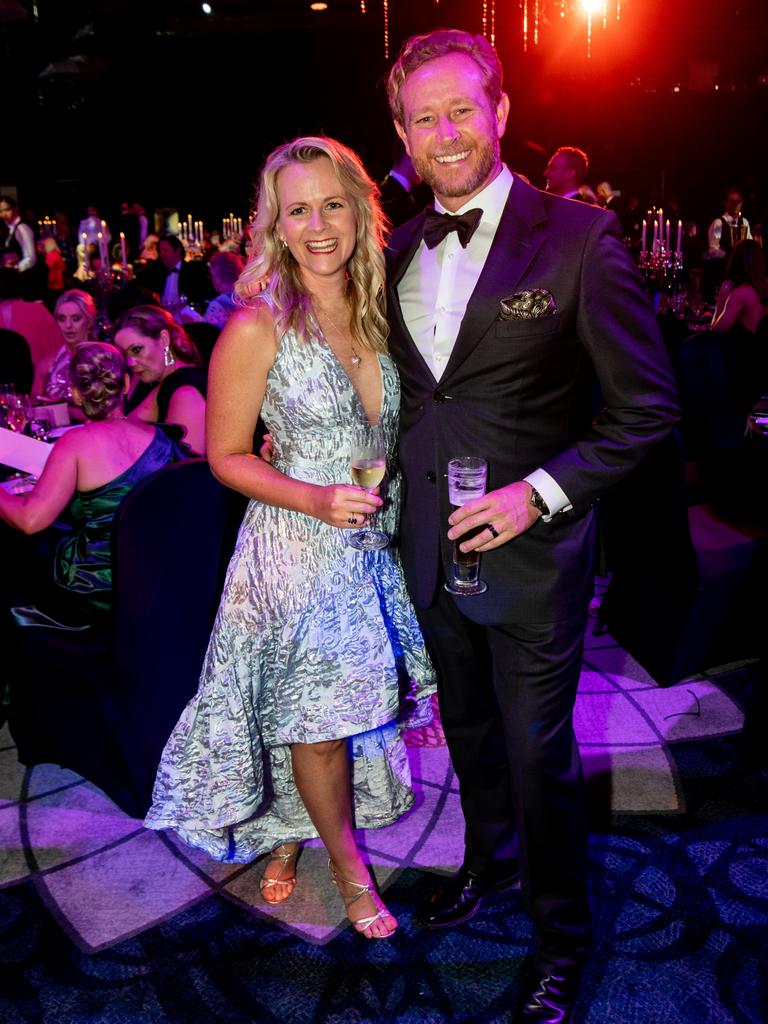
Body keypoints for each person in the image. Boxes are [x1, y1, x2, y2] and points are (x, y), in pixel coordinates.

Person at [386, 29, 679, 1020]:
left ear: (501, 111)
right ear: (402, 134)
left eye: (463, 107)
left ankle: (564, 939)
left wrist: (539, 494)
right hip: (430, 544)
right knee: (466, 733)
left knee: (536, 747)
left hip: (536, 553)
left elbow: (646, 410)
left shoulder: (577, 237)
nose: (448, 131)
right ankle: (488, 864)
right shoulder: (396, 246)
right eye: (424, 117)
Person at [145, 136, 435, 940]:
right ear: (274, 224)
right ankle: (348, 869)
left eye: (332, 203)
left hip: (375, 541)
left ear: (360, 210)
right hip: (296, 549)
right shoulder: (257, 326)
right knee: (318, 720)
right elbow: (224, 455)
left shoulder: (390, 310)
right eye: (296, 208)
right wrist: (311, 494)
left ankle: (287, 828)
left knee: (341, 708)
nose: (317, 224)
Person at [0, 342, 182, 623]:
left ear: (73, 392)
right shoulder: (162, 438)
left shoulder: (76, 443)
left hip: (96, 591)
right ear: (124, 383)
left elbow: (30, 519)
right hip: (153, 577)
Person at [113, 305, 207, 456]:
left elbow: (187, 471)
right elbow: (123, 428)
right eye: (125, 355)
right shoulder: (167, 383)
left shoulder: (185, 389)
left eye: (137, 350)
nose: (130, 362)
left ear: (164, 339)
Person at [31, 289, 97, 402]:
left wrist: (66, 410)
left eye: (76, 319)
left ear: (89, 321)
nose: (68, 325)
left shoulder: (105, 360)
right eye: (62, 319)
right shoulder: (46, 365)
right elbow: (34, 409)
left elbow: (112, 413)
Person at [710, 239, 768, 335]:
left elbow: (715, 331)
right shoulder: (765, 285)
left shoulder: (741, 293)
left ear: (736, 262)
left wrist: (721, 300)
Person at [203, 249, 244, 328]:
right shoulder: (248, 297)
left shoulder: (217, 305)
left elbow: (208, 336)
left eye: (211, 275)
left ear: (217, 276)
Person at [0, 195, 37, 273]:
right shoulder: (9, 228)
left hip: (25, 277)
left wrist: (15, 268)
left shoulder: (22, 227)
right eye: (0, 211)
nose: (4, 214)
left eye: (7, 210)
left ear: (15, 209)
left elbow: (31, 258)